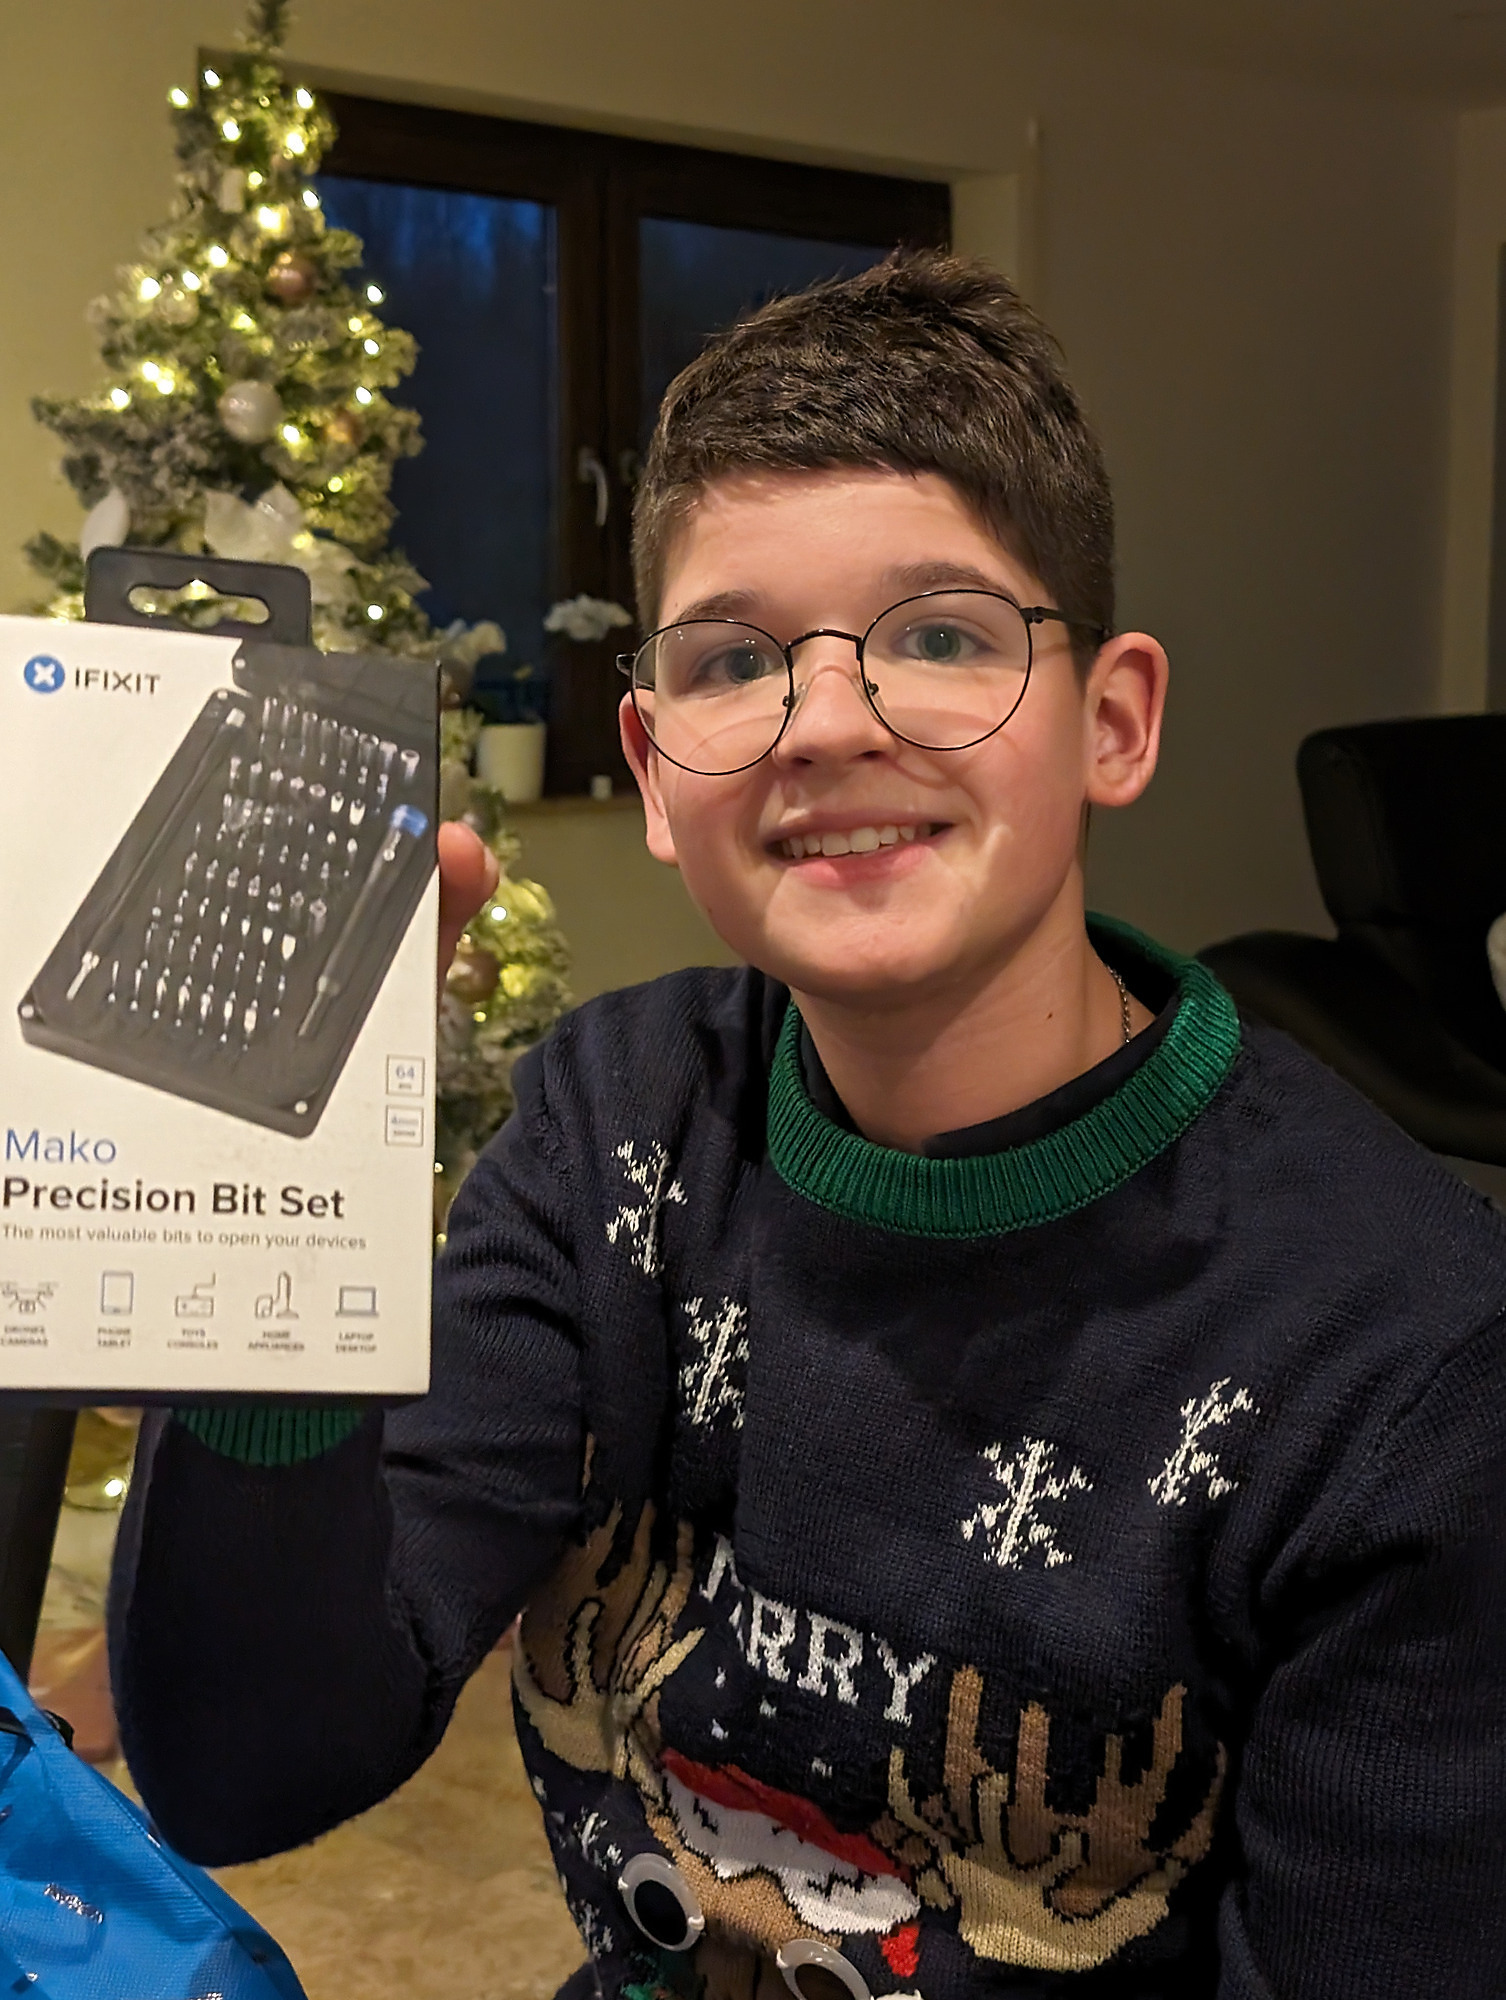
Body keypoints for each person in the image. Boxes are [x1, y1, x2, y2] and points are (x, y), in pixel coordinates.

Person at [109, 253, 1506, 1999]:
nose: (826, 722)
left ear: (1113, 722)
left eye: (941, 636)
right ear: (651, 767)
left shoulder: (1409, 1360)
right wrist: (262, 1227)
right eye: (733, 659)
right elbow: (249, 1767)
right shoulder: (615, 1128)